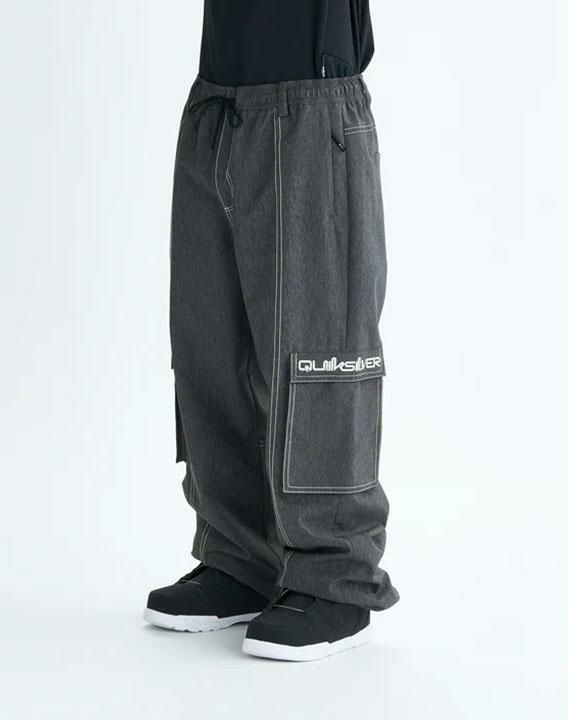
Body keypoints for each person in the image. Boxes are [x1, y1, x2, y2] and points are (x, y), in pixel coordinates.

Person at [144, 0, 399, 662]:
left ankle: (335, 576)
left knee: (320, 351)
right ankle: (241, 556)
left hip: (313, 103)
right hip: (217, 103)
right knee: (210, 350)